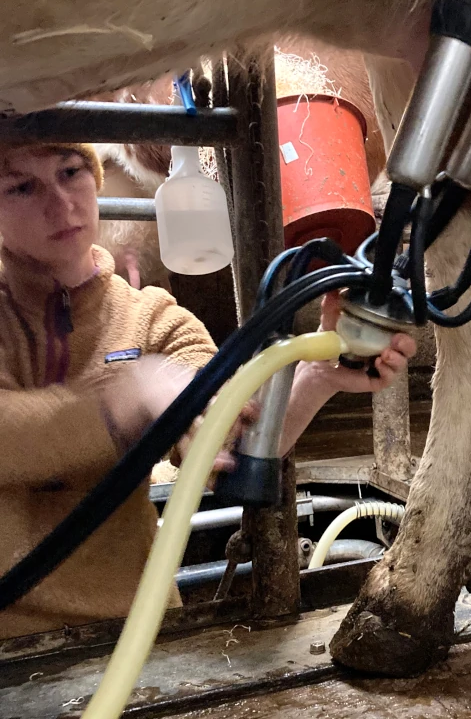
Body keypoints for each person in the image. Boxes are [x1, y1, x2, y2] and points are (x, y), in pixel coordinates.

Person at [0, 142, 416, 639]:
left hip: (137, 629)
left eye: (70, 171)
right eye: (21, 187)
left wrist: (316, 376)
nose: (61, 204)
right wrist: (130, 397)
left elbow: (228, 441)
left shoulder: (154, 319)